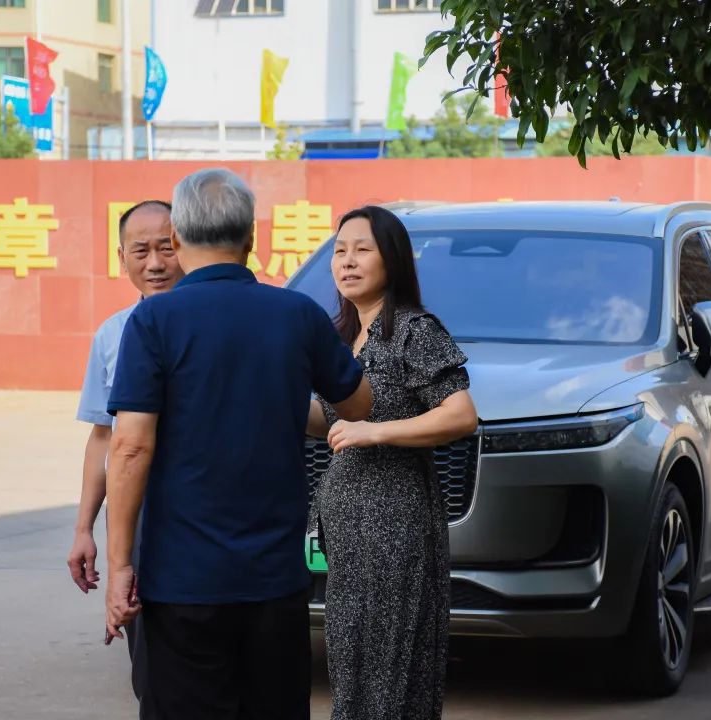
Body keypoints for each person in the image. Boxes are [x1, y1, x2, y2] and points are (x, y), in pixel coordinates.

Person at [103, 168, 373, 720]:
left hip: (181, 579)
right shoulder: (298, 314)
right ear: (251, 238)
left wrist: (120, 563)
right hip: (274, 578)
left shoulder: (154, 319)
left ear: (177, 237)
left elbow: (130, 448)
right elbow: (359, 405)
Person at [307, 206, 478, 720]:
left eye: (362, 249)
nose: (347, 261)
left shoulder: (412, 329)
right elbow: (330, 422)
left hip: (395, 524)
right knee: (352, 658)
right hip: (349, 532)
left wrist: (375, 430)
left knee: (388, 662)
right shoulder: (342, 336)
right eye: (339, 250)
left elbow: (460, 415)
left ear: (393, 259)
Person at [67, 200, 182, 716]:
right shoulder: (113, 334)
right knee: (152, 666)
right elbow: (104, 438)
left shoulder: (220, 324)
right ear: (121, 258)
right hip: (139, 517)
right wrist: (84, 529)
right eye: (141, 251)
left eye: (167, 248)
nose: (155, 263)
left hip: (210, 512)